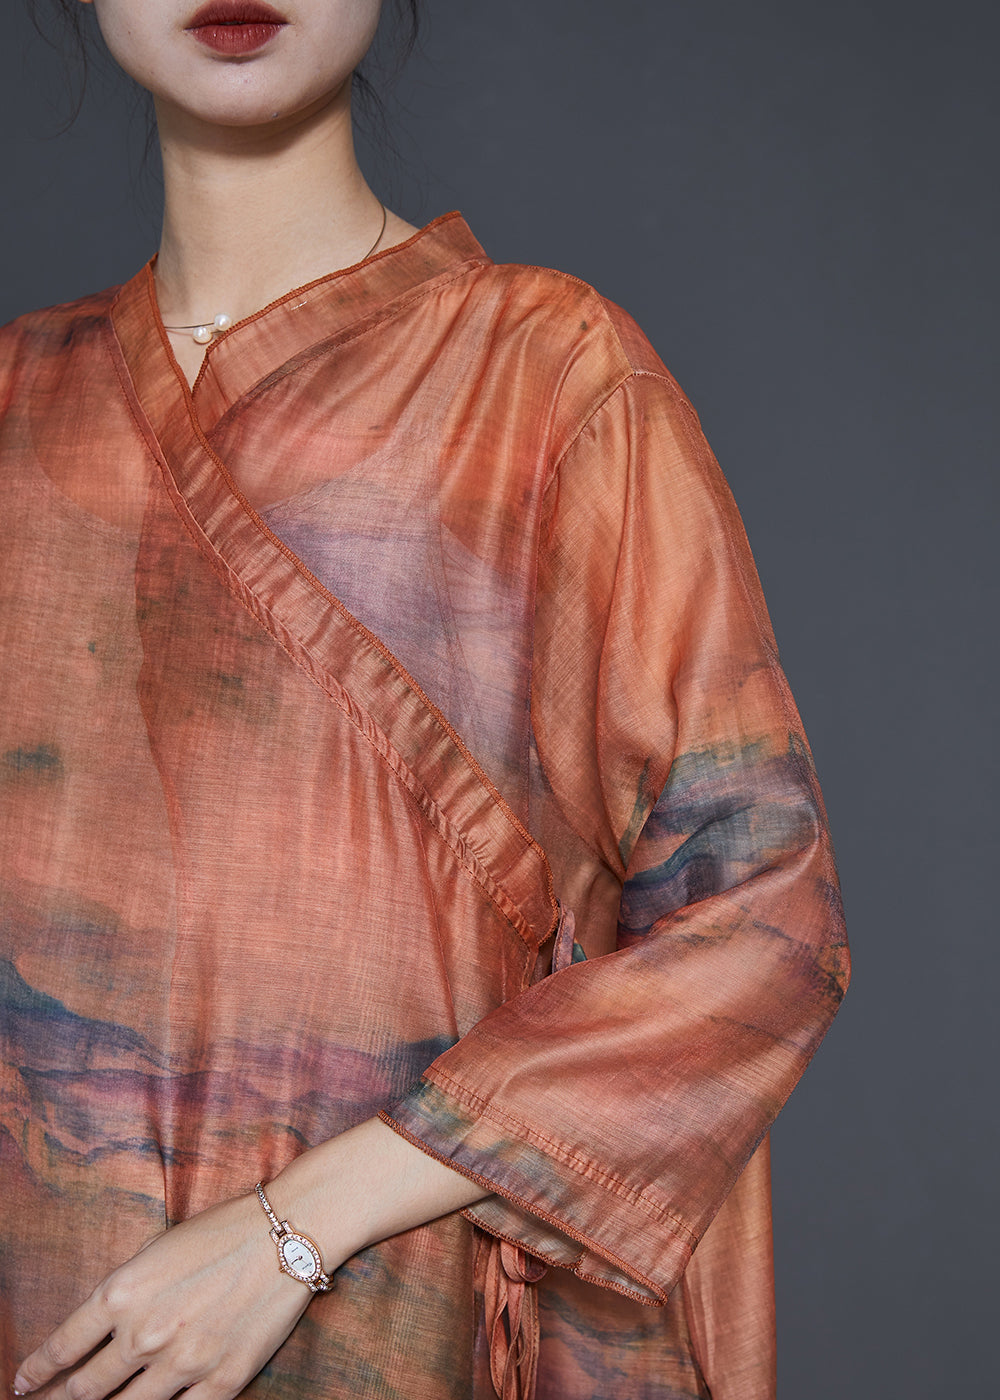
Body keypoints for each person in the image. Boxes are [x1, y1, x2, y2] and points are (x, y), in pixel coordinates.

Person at [0, 3, 850, 1398]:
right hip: (50, 1312)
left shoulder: (549, 379)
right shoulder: (19, 409)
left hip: (408, 1321)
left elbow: (761, 918)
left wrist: (294, 1229)